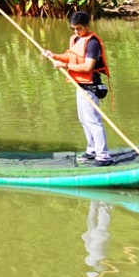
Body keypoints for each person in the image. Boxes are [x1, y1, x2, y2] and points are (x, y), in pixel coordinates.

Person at [51, 10, 112, 164]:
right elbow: (71, 57)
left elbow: (87, 67)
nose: (76, 31)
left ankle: (103, 155)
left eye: (79, 28)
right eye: (73, 29)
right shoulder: (77, 39)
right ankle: (91, 150)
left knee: (93, 121)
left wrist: (64, 65)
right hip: (79, 85)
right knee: (83, 119)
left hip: (90, 86)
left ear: (87, 26)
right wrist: (54, 56)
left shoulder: (92, 43)